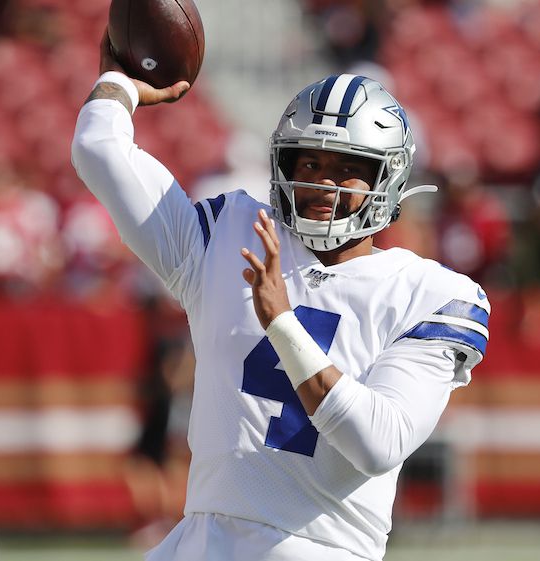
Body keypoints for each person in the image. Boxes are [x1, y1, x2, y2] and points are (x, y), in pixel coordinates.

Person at [71, 31, 490, 561]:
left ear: (388, 179)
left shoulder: (432, 294)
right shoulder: (228, 234)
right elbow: (97, 148)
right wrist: (119, 83)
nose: (323, 185)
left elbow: (378, 443)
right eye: (309, 164)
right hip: (200, 540)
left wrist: (283, 324)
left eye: (347, 169)